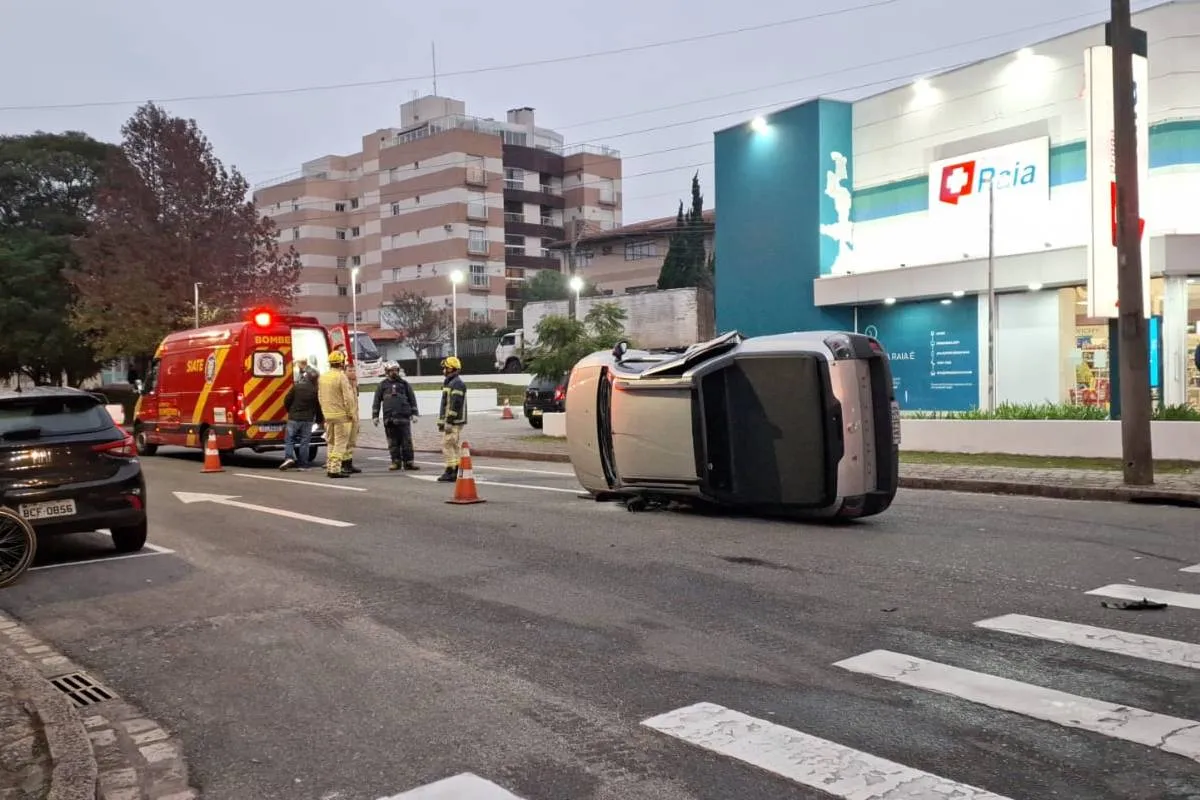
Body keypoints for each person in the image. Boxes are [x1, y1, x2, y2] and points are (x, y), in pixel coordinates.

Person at [372, 361, 420, 471]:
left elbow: (412, 399)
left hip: (403, 418)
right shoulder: (382, 385)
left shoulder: (404, 384)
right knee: (392, 442)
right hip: (389, 419)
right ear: (387, 372)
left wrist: (414, 413)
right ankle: (395, 462)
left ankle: (409, 462)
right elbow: (377, 401)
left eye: (396, 370)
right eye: (391, 370)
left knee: (406, 442)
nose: (394, 372)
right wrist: (375, 416)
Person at [317, 350, 358, 479]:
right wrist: (352, 413)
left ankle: (330, 466)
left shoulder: (323, 377)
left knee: (331, 442)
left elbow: (320, 396)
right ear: (341, 363)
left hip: (328, 415)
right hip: (341, 416)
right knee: (340, 443)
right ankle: (335, 469)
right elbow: (349, 398)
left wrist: (324, 411)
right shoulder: (341, 377)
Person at [280, 365, 321, 470]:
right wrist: (319, 420)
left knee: (289, 439)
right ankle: (303, 464)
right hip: (308, 420)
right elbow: (318, 406)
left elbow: (287, 400)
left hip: (294, 418)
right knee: (305, 442)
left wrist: (290, 411)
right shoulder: (315, 390)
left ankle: (289, 457)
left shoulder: (297, 387)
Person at [436, 356, 467, 482]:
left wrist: (449, 420)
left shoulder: (456, 383)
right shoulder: (451, 382)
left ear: (450, 369)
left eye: (445, 368)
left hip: (454, 421)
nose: (443, 370)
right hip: (453, 420)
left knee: (447, 444)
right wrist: (441, 421)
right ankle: (457, 469)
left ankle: (451, 471)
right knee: (453, 445)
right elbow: (446, 404)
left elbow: (455, 404)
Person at [334, 344, 363, 475]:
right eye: (350, 370)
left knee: (352, 441)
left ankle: (349, 463)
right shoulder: (343, 382)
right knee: (344, 442)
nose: (352, 372)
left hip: (354, 415)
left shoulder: (355, 383)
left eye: (353, 370)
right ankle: (343, 465)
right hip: (346, 416)